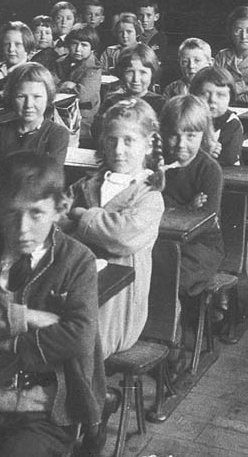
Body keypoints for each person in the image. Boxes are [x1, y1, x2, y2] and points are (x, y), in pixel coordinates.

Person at [0, 151, 105, 457]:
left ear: (60, 208)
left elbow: (78, 337)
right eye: (12, 213)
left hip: (44, 412)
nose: (23, 228)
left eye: (36, 213)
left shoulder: (78, 261)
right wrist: (28, 319)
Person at [64, 99, 165, 357]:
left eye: (129, 141)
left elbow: (121, 236)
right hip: (77, 284)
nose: (119, 150)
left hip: (117, 305)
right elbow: (55, 217)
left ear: (148, 144)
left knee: (76, 342)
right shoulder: (89, 184)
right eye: (112, 140)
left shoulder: (149, 196)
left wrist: (80, 215)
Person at [159, 95, 224, 301]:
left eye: (190, 136)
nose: (181, 144)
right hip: (162, 239)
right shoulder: (158, 164)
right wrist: (186, 208)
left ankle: (176, 328)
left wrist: (171, 208)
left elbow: (205, 219)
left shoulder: (209, 170)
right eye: (174, 135)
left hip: (201, 246)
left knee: (171, 277)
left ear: (203, 135)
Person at [0, 62, 69, 184]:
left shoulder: (57, 134)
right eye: (21, 96)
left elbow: (48, 180)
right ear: (11, 97)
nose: (28, 105)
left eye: (37, 97)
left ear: (48, 98)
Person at [92, 44, 164, 143]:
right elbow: (97, 133)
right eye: (130, 72)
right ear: (121, 73)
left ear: (152, 74)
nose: (136, 79)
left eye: (143, 72)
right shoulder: (112, 101)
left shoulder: (160, 104)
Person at [213, 5, 248, 106]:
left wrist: (232, 96)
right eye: (238, 30)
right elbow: (214, 88)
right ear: (231, 32)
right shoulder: (222, 56)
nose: (243, 36)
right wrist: (244, 87)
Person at [56, 25, 103, 143]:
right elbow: (51, 84)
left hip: (84, 117)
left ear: (92, 48)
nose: (78, 49)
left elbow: (83, 94)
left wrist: (66, 86)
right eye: (74, 44)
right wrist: (67, 85)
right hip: (59, 113)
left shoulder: (94, 67)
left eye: (84, 45)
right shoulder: (61, 62)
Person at [191, 65, 244, 167]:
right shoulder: (189, 120)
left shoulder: (232, 123)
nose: (212, 100)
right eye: (204, 94)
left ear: (230, 98)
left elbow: (228, 158)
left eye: (220, 95)